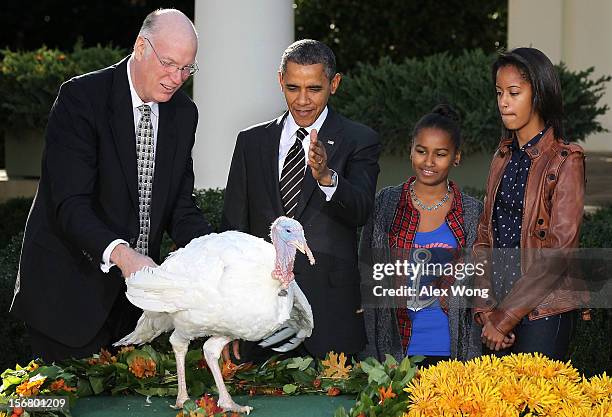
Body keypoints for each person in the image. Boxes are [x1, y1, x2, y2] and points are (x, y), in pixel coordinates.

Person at [10, 9, 213, 362]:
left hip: (135, 307)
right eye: (168, 63)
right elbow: (69, 204)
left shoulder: (184, 113)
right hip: (67, 295)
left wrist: (217, 253)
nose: (176, 77)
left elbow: (180, 207)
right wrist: (123, 255)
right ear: (140, 46)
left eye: (186, 68)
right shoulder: (81, 98)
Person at [221, 39, 381, 359]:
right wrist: (228, 323)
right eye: (293, 87)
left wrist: (327, 178)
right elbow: (233, 235)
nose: (303, 100)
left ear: (334, 84)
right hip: (262, 318)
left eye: (314, 89)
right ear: (280, 80)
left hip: (332, 319)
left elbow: (362, 209)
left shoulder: (359, 140)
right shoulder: (250, 142)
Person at [473, 47, 586, 360]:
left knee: (534, 406)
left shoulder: (566, 160)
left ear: (539, 95)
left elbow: (559, 252)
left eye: (513, 92)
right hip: (496, 308)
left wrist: (506, 317)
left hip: (544, 311)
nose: (503, 102)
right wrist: (485, 308)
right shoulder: (502, 156)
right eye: (499, 93)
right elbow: (484, 236)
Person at [360, 105, 485, 366]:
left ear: (456, 157)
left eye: (440, 154)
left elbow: (482, 286)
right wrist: (371, 352)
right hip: (394, 352)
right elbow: (368, 276)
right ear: (411, 150)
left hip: (452, 351)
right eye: (421, 151)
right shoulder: (385, 204)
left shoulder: (472, 213)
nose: (429, 162)